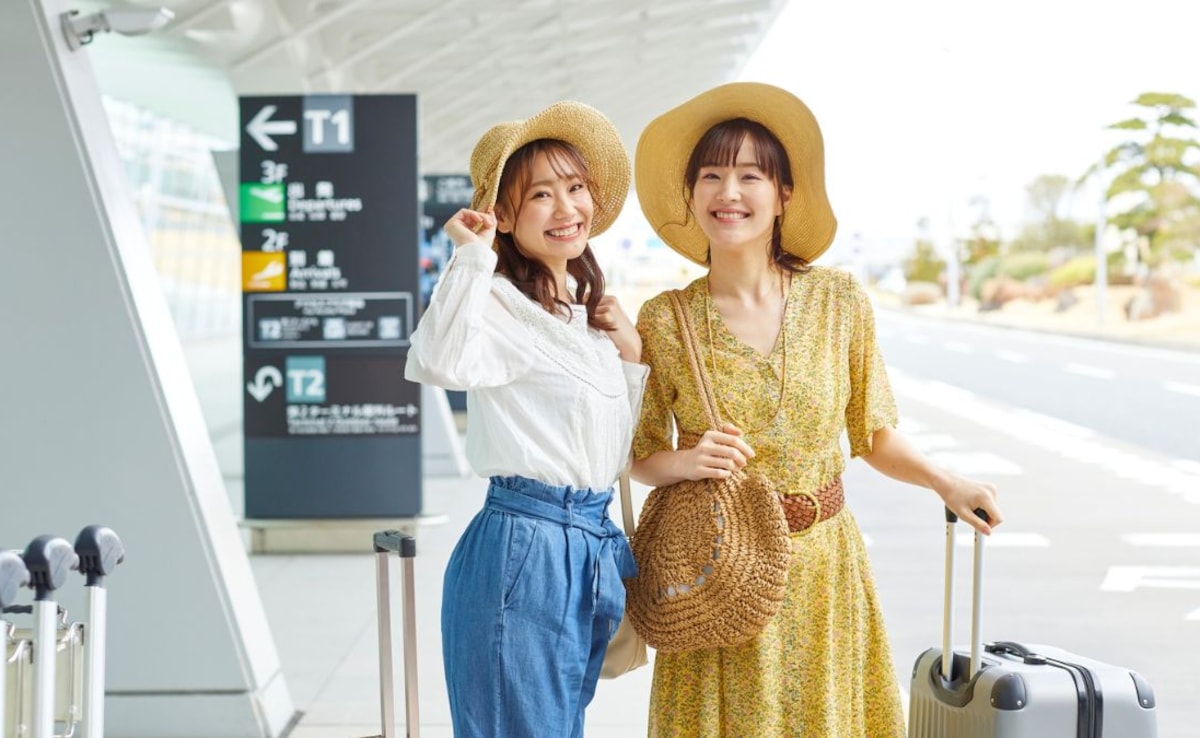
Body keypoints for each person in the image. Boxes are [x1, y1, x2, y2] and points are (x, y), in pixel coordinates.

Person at [629, 82, 1005, 737]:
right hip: (721, 574)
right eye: (711, 177)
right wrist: (686, 462)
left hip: (824, 570)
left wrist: (948, 482)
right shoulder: (665, 320)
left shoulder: (840, 303)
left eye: (751, 176)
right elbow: (637, 459)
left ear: (784, 196)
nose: (729, 193)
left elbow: (874, 435)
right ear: (690, 197)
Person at [404, 101, 645, 738]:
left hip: (588, 545)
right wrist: (473, 254)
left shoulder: (582, 316)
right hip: (526, 541)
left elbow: (610, 454)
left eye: (575, 188)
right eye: (542, 194)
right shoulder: (501, 303)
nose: (568, 209)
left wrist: (632, 359)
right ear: (505, 214)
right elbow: (436, 359)